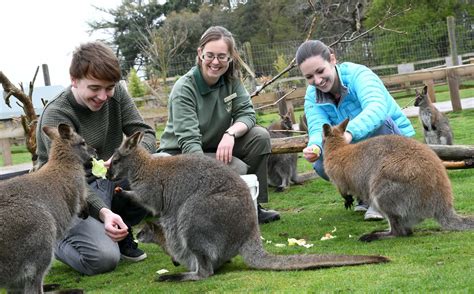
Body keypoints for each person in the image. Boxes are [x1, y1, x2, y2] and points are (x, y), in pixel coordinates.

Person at [35, 41, 157, 275]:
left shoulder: (116, 93)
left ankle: (121, 230)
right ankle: (55, 235)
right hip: (68, 197)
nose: (103, 96)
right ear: (74, 79)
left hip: (107, 179)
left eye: (109, 88)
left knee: (157, 169)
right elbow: (71, 183)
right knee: (103, 259)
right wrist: (104, 211)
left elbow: (147, 134)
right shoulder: (58, 115)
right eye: (94, 88)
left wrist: (126, 156)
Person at [157, 26, 280, 224]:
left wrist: (230, 133)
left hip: (215, 146)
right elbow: (189, 143)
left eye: (222, 57)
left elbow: (247, 114)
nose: (215, 62)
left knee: (260, 136)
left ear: (230, 58)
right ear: (200, 53)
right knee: (237, 168)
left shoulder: (231, 82)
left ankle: (253, 206)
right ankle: (210, 216)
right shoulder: (184, 89)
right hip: (180, 155)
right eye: (210, 55)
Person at [295, 40, 415, 220]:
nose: (317, 80)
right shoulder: (312, 95)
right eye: (309, 77)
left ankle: (384, 198)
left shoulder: (358, 75)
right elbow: (317, 126)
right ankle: (366, 196)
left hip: (395, 143)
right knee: (322, 162)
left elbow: (376, 108)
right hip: (355, 149)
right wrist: (315, 147)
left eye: (320, 71)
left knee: (378, 126)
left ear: (332, 60)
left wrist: (348, 134)